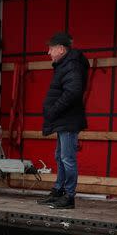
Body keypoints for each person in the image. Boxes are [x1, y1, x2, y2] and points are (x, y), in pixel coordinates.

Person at [38, 31, 89, 210]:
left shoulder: (72, 65)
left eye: (51, 49)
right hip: (64, 119)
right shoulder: (65, 65)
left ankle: (69, 196)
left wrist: (54, 109)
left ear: (60, 49)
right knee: (60, 156)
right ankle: (58, 191)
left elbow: (72, 92)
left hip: (68, 119)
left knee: (67, 158)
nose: (48, 53)